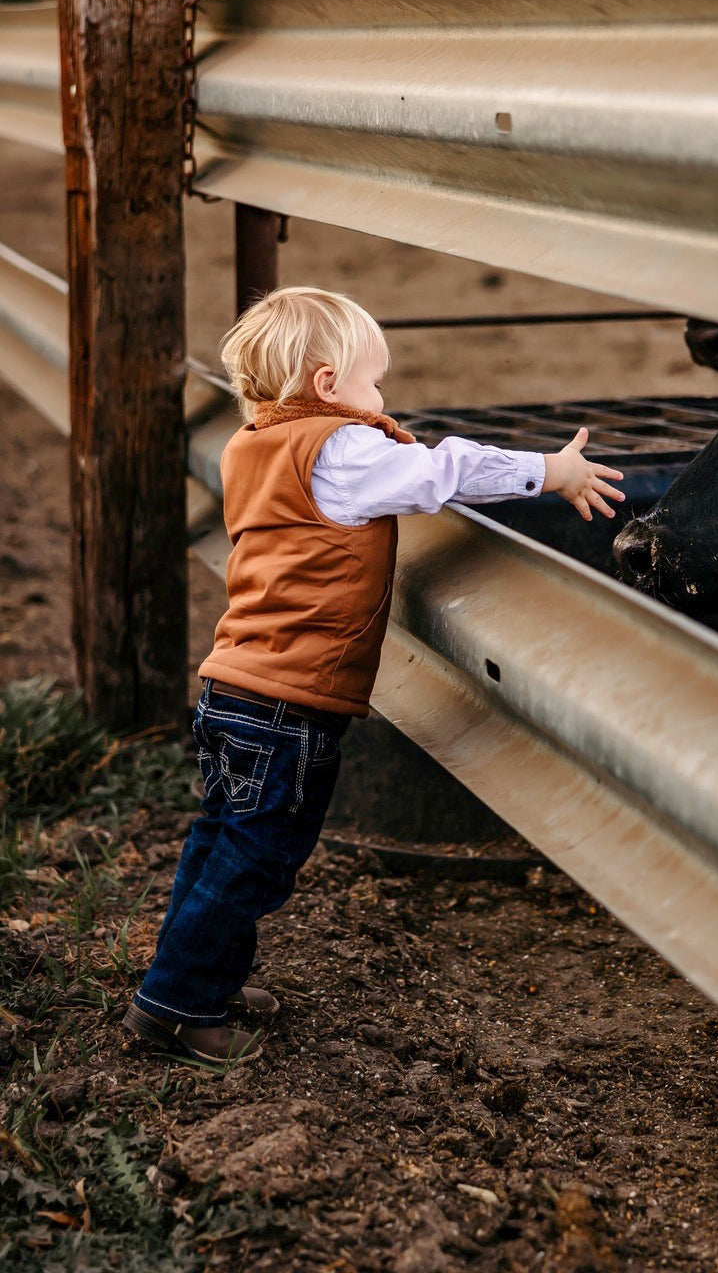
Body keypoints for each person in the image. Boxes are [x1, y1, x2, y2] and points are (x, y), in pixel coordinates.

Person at [122, 287, 625, 1066]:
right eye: (375, 383)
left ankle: (201, 974)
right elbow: (440, 470)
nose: (381, 399)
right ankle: (177, 1004)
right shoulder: (339, 450)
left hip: (235, 687)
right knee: (257, 858)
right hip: (288, 704)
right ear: (327, 387)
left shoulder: (251, 444)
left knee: (220, 838)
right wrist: (548, 470)